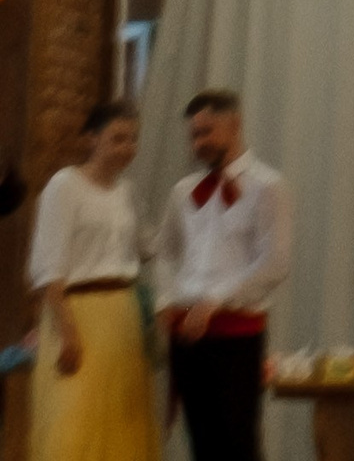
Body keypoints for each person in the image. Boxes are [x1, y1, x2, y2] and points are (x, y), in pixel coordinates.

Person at [152, 90, 287, 461]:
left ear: (235, 125)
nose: (199, 143)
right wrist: (165, 299)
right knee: (201, 441)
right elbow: (164, 251)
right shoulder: (183, 191)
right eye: (194, 135)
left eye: (207, 132)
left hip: (237, 333)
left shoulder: (267, 186)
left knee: (237, 441)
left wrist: (217, 300)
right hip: (186, 333)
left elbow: (274, 263)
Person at [28, 99, 156, 461]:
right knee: (74, 422)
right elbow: (49, 268)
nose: (126, 148)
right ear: (91, 139)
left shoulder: (128, 192)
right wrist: (67, 331)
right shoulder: (64, 186)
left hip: (123, 316)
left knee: (122, 422)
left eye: (132, 139)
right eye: (117, 138)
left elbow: (148, 246)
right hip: (78, 314)